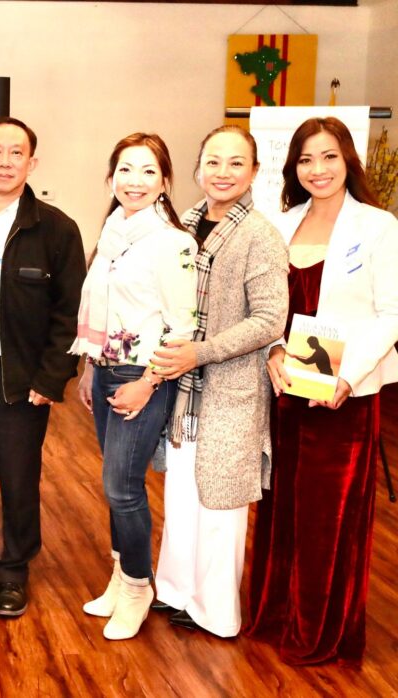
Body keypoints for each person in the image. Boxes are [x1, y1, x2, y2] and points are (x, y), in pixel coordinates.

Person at [247, 116, 398, 665]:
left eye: (329, 156)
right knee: (282, 505)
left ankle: (321, 628)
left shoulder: (378, 227)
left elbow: (391, 314)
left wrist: (347, 376)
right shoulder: (279, 224)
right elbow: (265, 307)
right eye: (306, 159)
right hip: (286, 389)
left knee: (327, 516)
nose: (318, 169)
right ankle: (275, 613)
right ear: (293, 168)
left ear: (347, 160)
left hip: (344, 397)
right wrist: (272, 350)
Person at [148, 125, 288, 638]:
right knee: (182, 494)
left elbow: (269, 320)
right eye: (213, 161)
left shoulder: (260, 236)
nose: (222, 172)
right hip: (182, 390)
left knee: (221, 504)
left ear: (254, 172)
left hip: (231, 388)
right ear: (197, 167)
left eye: (235, 163)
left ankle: (215, 611)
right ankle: (176, 591)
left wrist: (199, 353)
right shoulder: (180, 226)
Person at [0, 117, 86, 617]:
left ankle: (14, 569)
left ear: (32, 162)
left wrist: (51, 378)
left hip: (17, 381)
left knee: (19, 481)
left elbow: (70, 312)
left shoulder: (56, 228)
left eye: (16, 153)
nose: (4, 162)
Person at [72, 132, 198, 641]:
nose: (135, 180)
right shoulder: (112, 233)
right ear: (111, 178)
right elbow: (102, 310)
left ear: (165, 182)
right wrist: (89, 368)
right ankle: (121, 576)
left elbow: (183, 326)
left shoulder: (173, 242)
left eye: (149, 171)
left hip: (143, 375)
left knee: (122, 488)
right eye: (126, 169)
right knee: (116, 485)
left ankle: (138, 587)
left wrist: (148, 383)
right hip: (107, 369)